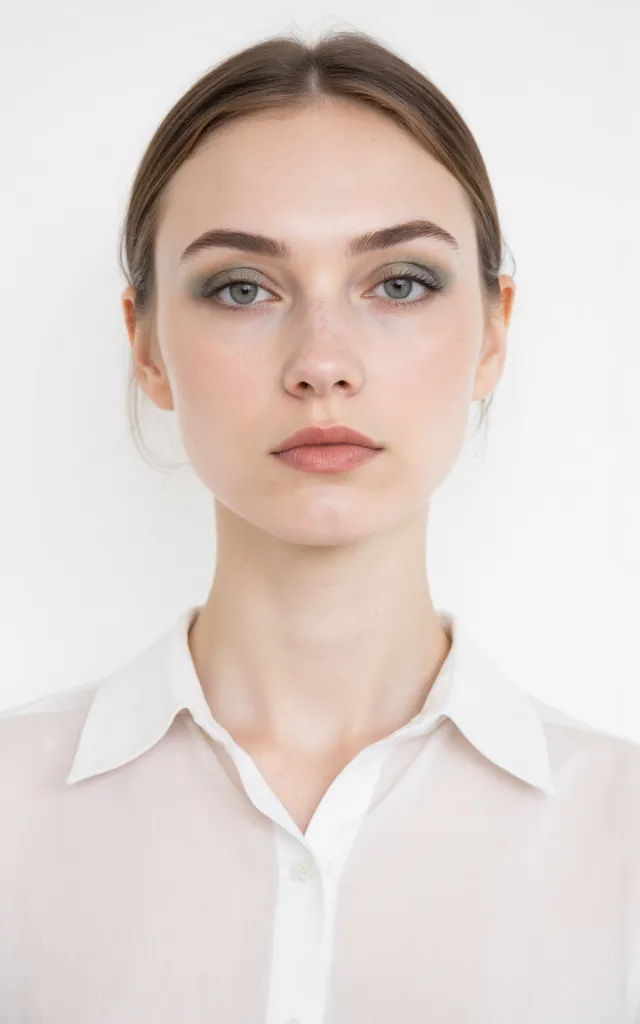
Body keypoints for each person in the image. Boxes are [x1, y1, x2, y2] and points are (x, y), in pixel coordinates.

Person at [1, 28, 638, 1024]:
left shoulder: (620, 837)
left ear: (494, 331)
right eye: (242, 288)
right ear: (147, 344)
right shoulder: (11, 816)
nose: (323, 360)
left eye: (400, 282)